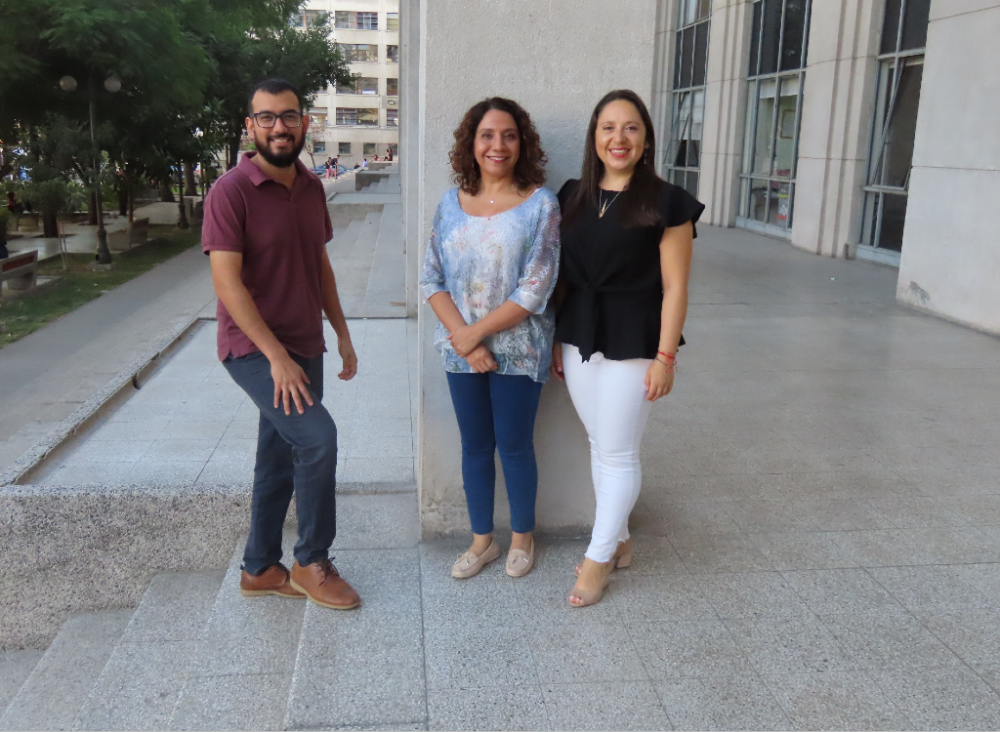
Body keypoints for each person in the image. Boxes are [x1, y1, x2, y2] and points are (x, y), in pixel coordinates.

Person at [202, 78, 361, 611]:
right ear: (250, 126)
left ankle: (259, 568)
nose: (279, 127)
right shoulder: (230, 191)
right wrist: (275, 357)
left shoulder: (312, 188)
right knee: (317, 440)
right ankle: (311, 561)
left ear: (304, 124)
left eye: (289, 116)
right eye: (266, 117)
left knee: (278, 455)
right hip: (253, 349)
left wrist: (341, 332)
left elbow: (320, 265)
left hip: (305, 342)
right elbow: (227, 284)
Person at [551, 89, 704, 607]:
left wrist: (666, 357)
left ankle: (597, 560)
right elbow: (563, 274)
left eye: (631, 127)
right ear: (594, 137)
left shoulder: (667, 202)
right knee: (601, 444)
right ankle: (619, 542)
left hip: (636, 337)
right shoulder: (572, 195)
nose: (619, 138)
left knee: (617, 452)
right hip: (580, 334)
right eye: (608, 127)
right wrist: (560, 339)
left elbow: (676, 287)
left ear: (646, 139)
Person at [420, 97, 559, 579]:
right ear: (472, 143)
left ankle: (522, 537)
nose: (497, 145)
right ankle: (483, 541)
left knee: (514, 445)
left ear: (522, 144)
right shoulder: (450, 204)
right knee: (474, 445)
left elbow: (536, 287)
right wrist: (467, 342)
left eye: (509, 135)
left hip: (520, 349)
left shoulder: (541, 204)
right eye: (487, 135)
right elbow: (431, 278)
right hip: (462, 352)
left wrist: (474, 335)